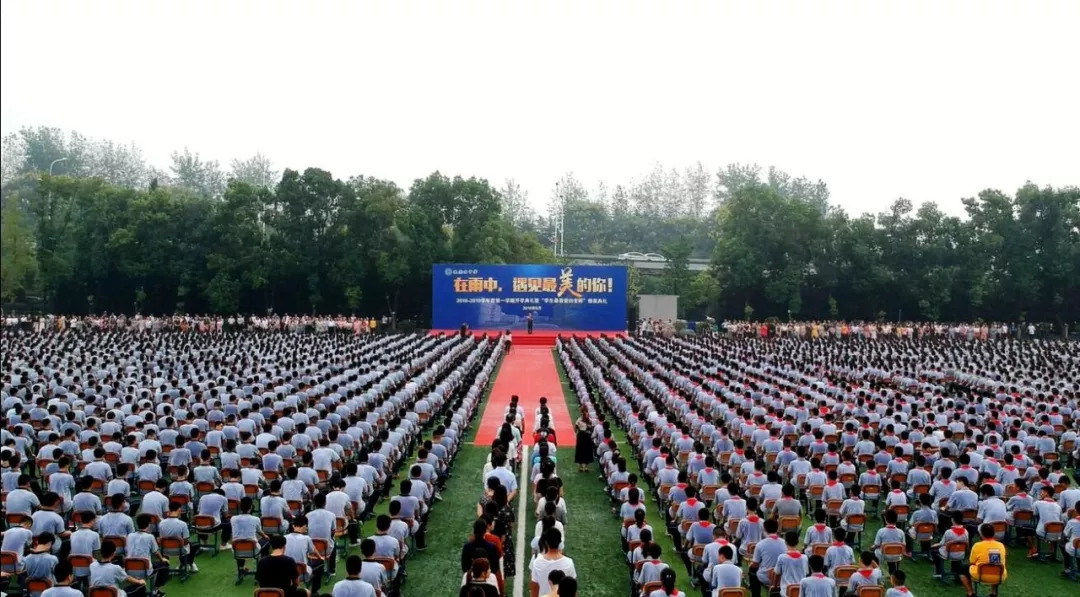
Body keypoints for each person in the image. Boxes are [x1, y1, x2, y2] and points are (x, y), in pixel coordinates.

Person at [530, 528, 575, 597]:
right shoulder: (569, 563)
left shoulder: (537, 562)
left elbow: (535, 588)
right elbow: (572, 590)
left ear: (546, 542)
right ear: (560, 542)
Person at [965, 523, 1007, 597]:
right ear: (993, 533)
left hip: (980, 575)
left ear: (981, 534)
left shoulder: (977, 546)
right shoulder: (1001, 545)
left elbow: (972, 562)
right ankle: (993, 593)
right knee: (995, 564)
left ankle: (970, 593)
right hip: (999, 575)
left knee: (962, 569)